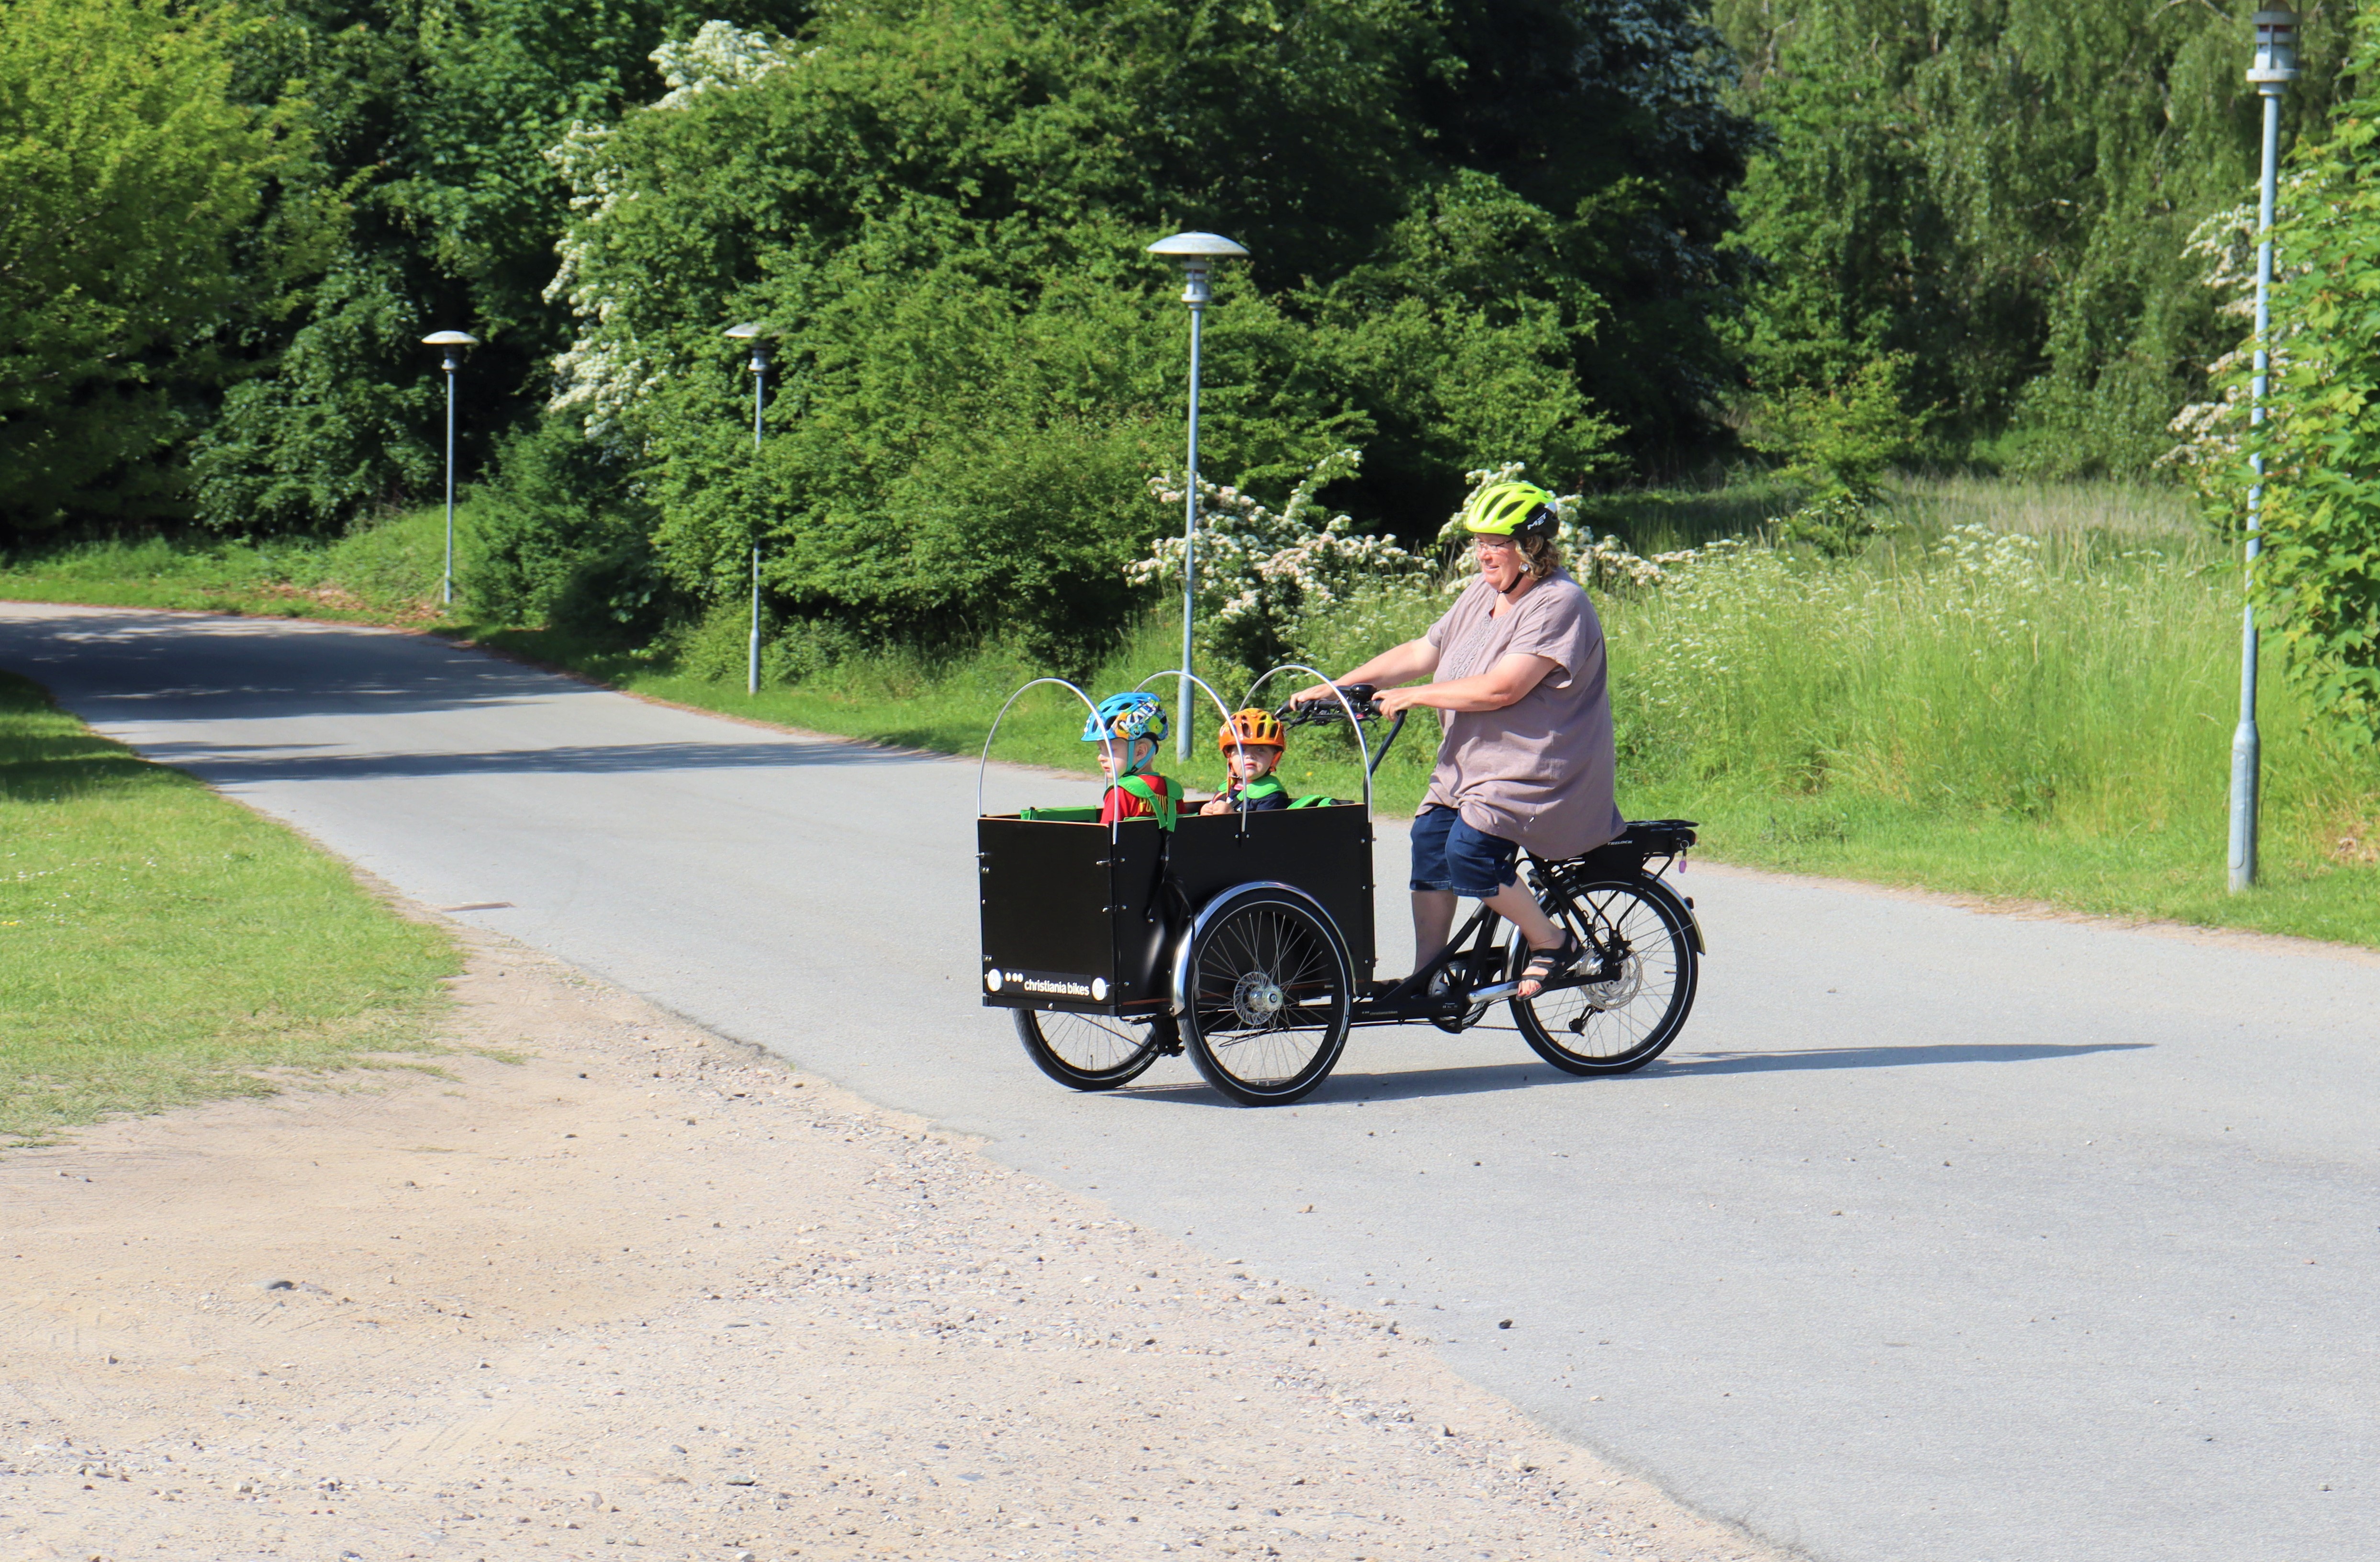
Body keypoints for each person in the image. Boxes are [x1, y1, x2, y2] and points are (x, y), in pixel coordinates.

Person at [1295, 480, 1625, 999]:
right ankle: (1430, 973)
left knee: (1469, 852)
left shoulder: (1559, 603)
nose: (1484, 553)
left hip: (1537, 769)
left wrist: (1416, 696)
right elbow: (1420, 650)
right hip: (1471, 765)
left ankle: (1552, 942)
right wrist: (1341, 687)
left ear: (1532, 546)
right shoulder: (1482, 593)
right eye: (1478, 541)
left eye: (1498, 541)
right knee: (1429, 840)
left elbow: (1503, 687)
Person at [1084, 692, 1179, 828]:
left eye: (1110, 750)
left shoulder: (1120, 793)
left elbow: (1104, 840)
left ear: (1140, 752)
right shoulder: (1173, 792)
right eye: (1101, 750)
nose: (1100, 757)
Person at [1200, 708, 1292, 815]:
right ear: (1230, 756)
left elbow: (1264, 829)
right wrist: (1206, 813)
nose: (1250, 756)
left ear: (1274, 759)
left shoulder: (1271, 796)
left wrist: (1231, 815)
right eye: (1242, 750)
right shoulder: (1226, 788)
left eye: (1260, 750)